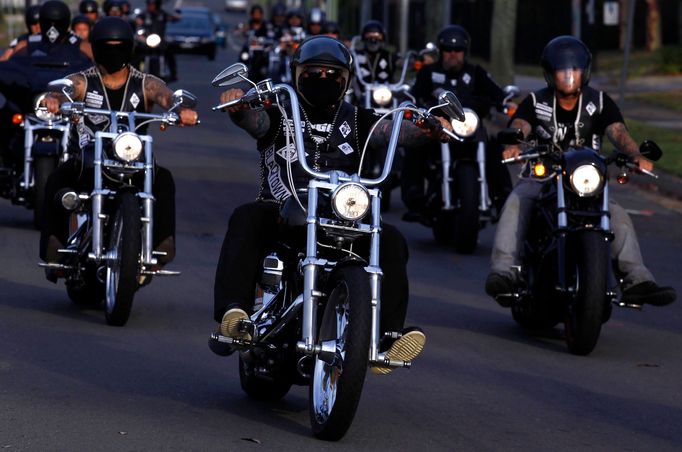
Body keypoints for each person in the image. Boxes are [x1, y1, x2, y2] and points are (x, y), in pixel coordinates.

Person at [211, 36, 454, 373]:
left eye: (332, 74)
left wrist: (429, 130)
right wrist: (239, 107)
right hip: (284, 212)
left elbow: (392, 132)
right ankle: (233, 313)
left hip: (342, 217)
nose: (322, 79)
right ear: (297, 73)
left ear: (346, 80)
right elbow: (255, 123)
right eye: (313, 72)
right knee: (246, 217)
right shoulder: (280, 110)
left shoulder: (358, 120)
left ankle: (387, 336)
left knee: (393, 239)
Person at [485, 35, 676, 308]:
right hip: (543, 175)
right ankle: (503, 272)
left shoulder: (598, 102)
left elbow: (618, 132)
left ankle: (637, 280)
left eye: (573, 69)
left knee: (618, 216)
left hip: (587, 181)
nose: (568, 76)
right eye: (562, 70)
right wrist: (515, 143)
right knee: (516, 204)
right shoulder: (536, 102)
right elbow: (521, 125)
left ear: (583, 71)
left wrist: (635, 154)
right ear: (551, 73)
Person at [39, 17, 199, 274]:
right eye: (107, 45)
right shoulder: (84, 80)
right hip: (90, 160)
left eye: (119, 45)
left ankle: (160, 245)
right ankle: (54, 248)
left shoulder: (144, 82)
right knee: (57, 178)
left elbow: (164, 94)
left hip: (134, 161)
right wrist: (53, 99)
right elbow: (66, 89)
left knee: (164, 180)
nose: (113, 51)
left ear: (129, 48)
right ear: (97, 47)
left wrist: (179, 108)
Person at [404, 24, 513, 222]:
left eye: (458, 50)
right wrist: (412, 103)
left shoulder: (476, 72)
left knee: (494, 148)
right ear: (441, 51)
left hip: (469, 129)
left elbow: (496, 92)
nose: (453, 54)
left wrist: (506, 102)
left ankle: (502, 198)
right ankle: (414, 195)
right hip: (437, 128)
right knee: (415, 144)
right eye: (448, 50)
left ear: (465, 52)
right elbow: (414, 93)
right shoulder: (428, 72)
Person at [139, 0, 180, 81]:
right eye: (149, 4)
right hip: (147, 40)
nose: (150, 6)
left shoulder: (162, 14)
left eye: (152, 4)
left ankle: (173, 74)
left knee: (170, 53)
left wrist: (176, 16)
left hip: (160, 40)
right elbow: (137, 19)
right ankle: (135, 73)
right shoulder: (145, 14)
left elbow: (172, 17)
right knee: (137, 53)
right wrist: (137, 20)